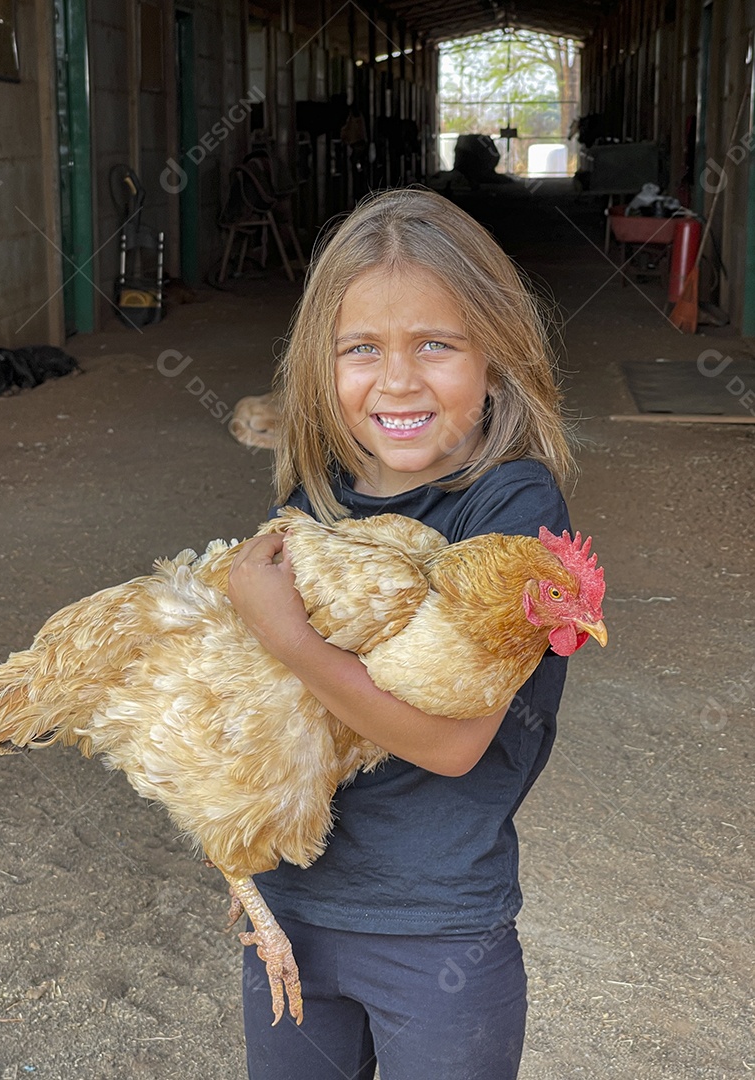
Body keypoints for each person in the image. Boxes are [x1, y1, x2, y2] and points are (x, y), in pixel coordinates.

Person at [227, 186, 574, 1080]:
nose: (397, 379)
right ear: (322, 365)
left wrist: (290, 640)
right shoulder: (316, 504)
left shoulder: (512, 510)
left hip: (436, 927)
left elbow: (456, 745)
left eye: (435, 344)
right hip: (290, 913)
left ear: (494, 357)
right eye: (362, 349)